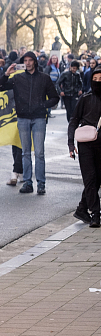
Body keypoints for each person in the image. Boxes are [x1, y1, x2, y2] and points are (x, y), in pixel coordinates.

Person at [0, 52, 60, 195]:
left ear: (35, 62)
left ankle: (41, 183)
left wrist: (43, 105)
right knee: (25, 152)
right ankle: (27, 182)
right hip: (23, 118)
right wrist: (6, 74)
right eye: (25, 60)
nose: (28, 63)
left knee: (39, 153)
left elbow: (54, 97)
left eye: (30, 60)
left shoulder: (44, 78)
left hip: (39, 118)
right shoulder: (18, 78)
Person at [70, 68, 101, 227]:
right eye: (95, 79)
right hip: (86, 145)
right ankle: (96, 214)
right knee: (90, 179)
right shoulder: (85, 98)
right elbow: (74, 120)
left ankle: (82, 208)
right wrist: (70, 144)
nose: (98, 82)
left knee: (97, 179)